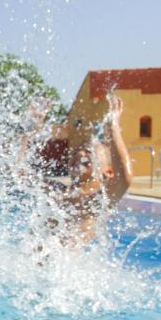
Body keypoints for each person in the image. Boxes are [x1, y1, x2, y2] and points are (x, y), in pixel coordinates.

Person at [58, 95, 132, 243]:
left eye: (88, 152)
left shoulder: (99, 197)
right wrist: (27, 133)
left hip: (68, 262)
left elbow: (124, 179)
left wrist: (113, 126)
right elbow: (19, 177)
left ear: (108, 171)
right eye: (76, 151)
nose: (80, 153)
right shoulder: (62, 189)